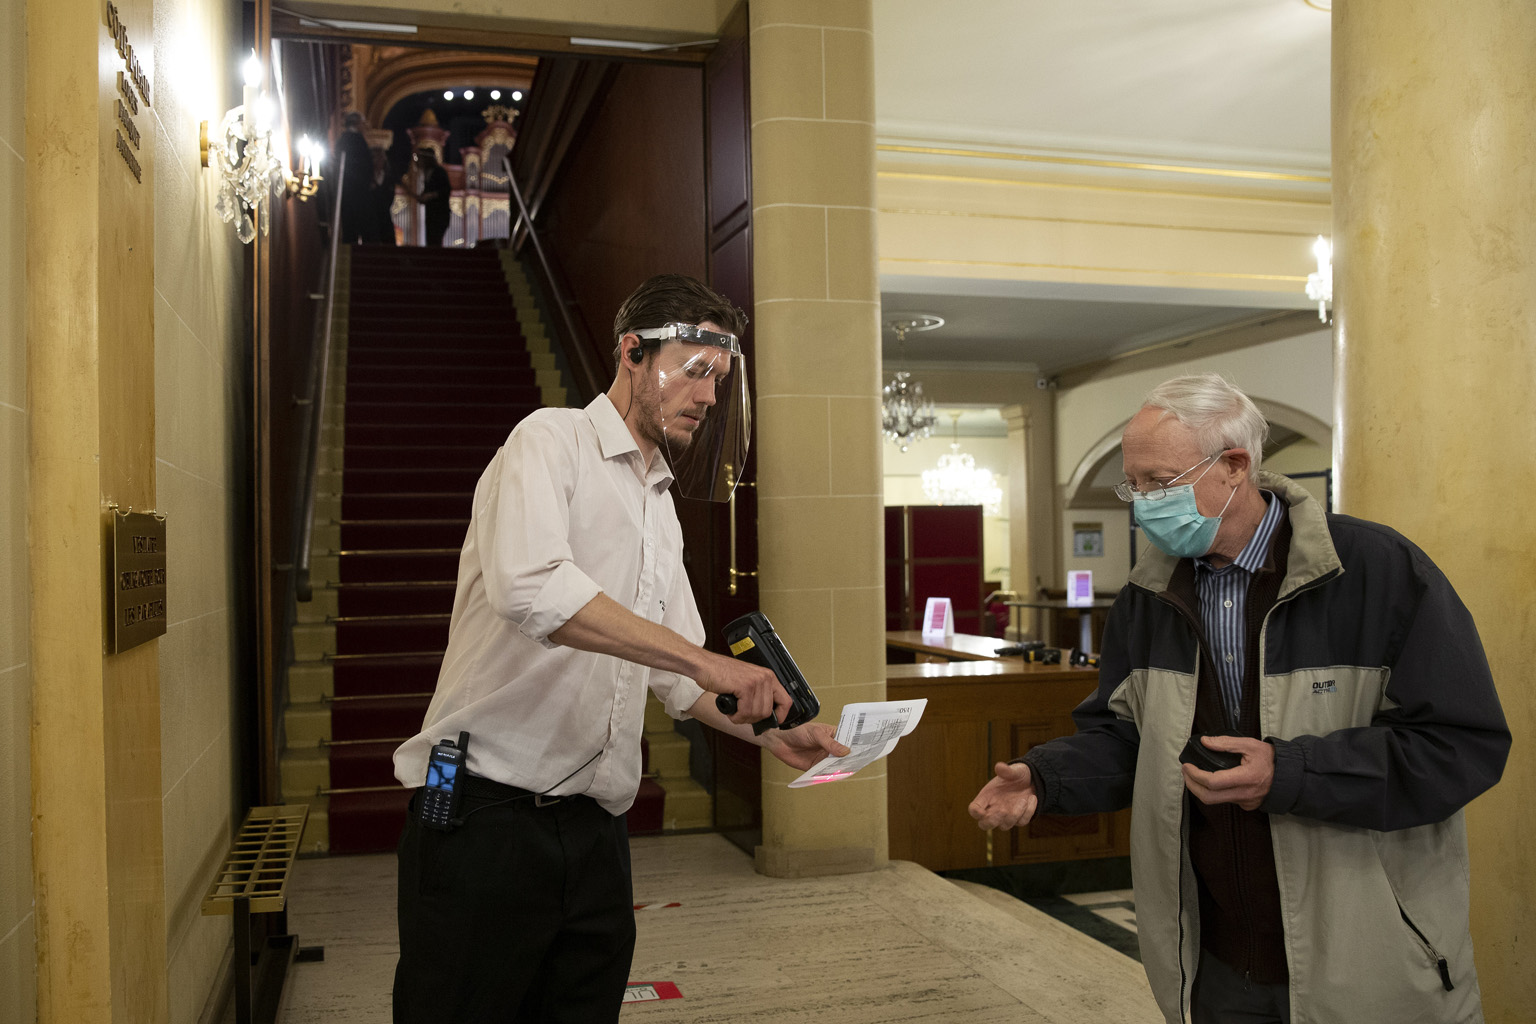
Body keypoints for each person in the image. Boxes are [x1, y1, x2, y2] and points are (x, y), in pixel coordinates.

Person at [968, 373, 1509, 1024]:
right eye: (1132, 485)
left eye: (1159, 482)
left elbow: (1460, 746)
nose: (1142, 503)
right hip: (1216, 964)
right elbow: (1128, 738)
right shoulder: (1148, 596)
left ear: (1233, 467)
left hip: (1369, 964)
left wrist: (1289, 774)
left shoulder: (1380, 571)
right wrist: (1047, 777)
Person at [391, 274, 849, 1024]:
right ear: (632, 352)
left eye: (720, 380)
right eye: (696, 370)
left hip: (595, 830)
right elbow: (531, 588)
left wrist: (771, 729)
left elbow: (678, 681)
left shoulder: (659, 507)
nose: (708, 397)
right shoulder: (549, 440)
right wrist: (704, 661)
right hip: (481, 812)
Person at [335, 111, 374, 244]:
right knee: (359, 221)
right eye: (362, 123)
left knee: (349, 224)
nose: (364, 126)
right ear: (357, 123)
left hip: (348, 187)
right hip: (357, 188)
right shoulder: (357, 139)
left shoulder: (343, 139)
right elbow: (365, 163)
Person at [414, 147, 451, 247]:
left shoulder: (439, 171)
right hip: (431, 216)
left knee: (435, 242)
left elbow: (446, 190)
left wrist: (430, 195)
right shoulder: (427, 174)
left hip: (439, 215)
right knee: (430, 242)